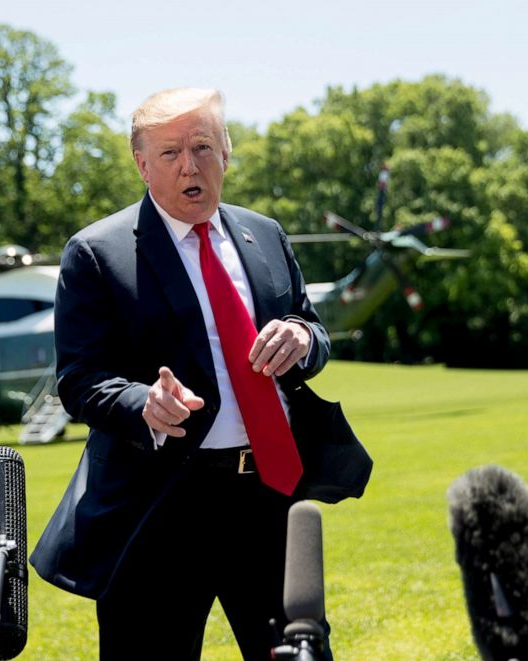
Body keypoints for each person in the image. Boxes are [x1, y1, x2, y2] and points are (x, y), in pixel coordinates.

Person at [31, 88, 358, 660]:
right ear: (142, 164)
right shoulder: (95, 253)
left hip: (269, 498)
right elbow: (80, 378)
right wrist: (142, 403)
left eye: (203, 146)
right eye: (170, 152)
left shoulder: (267, 235)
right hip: (161, 505)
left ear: (226, 151)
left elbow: (314, 330)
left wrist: (303, 339)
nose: (190, 164)